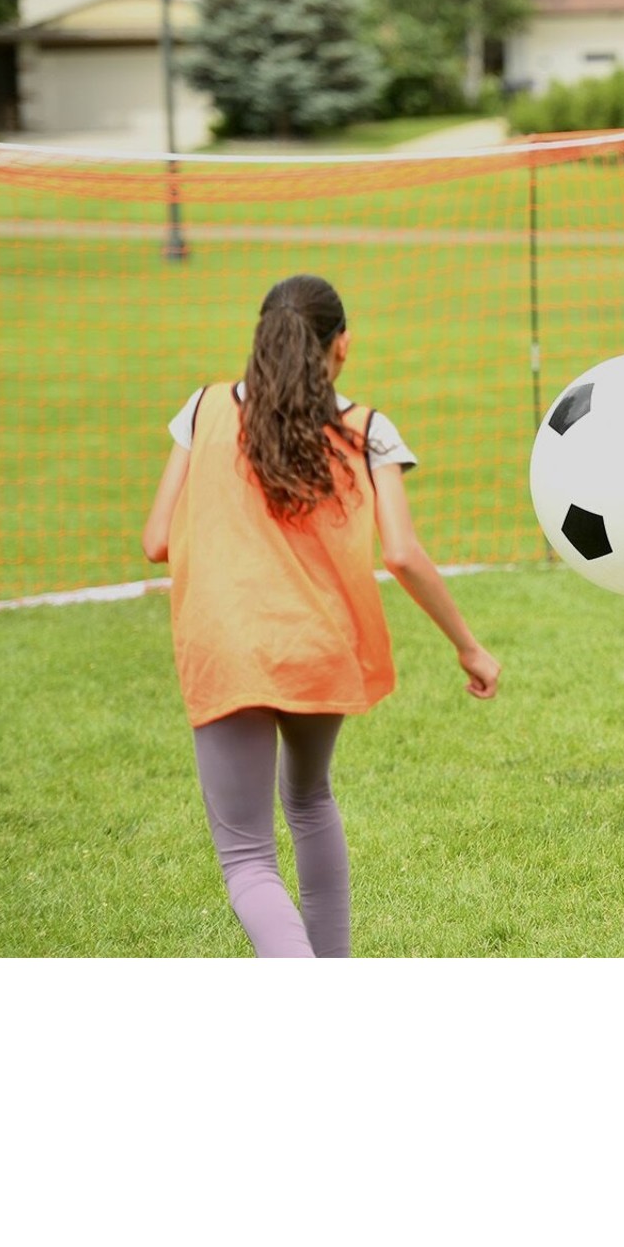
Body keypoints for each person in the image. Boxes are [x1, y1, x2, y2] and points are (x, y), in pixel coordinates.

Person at [141, 273, 501, 957]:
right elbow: (403, 553)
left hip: (228, 649)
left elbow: (156, 539)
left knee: (247, 859)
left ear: (261, 341)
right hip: (319, 648)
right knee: (308, 801)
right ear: (342, 347)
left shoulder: (205, 408)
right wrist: (468, 647)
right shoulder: (368, 428)